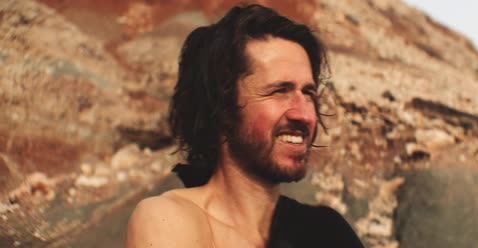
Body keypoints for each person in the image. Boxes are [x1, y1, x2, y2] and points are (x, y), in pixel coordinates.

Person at [125, 4, 364, 248]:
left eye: (308, 93)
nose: (304, 115)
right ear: (222, 105)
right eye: (280, 91)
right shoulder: (171, 219)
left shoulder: (327, 231)